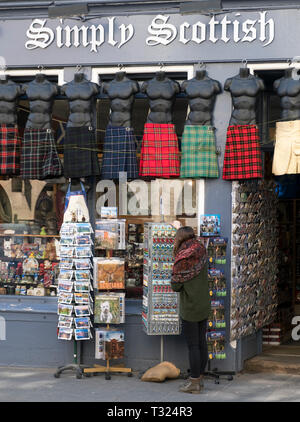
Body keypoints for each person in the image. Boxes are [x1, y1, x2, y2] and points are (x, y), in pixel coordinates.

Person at [171, 226, 210, 394]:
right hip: (204, 303)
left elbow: (175, 285)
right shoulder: (201, 249)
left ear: (180, 238)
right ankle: (199, 378)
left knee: (193, 345)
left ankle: (194, 382)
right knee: (202, 342)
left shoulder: (183, 258)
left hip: (190, 306)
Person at [222, 67, 265, 181]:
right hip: (234, 121)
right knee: (233, 161)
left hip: (251, 121)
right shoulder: (230, 81)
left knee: (252, 164)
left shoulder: (257, 81)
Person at [139, 71, 180, 177]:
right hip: (151, 123)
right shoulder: (147, 84)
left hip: (167, 124)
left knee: (168, 165)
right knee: (150, 164)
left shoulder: (173, 85)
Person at [21, 74, 62, 179]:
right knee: (30, 162)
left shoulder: (52, 87)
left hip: (46, 126)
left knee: (48, 158)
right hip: (30, 125)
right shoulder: (27, 86)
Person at [60, 72, 100, 178]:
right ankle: (74, 182)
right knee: (71, 158)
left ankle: (85, 182)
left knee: (87, 158)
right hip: (71, 125)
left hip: (86, 125)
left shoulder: (92, 86)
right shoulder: (66, 87)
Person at [101, 71, 139, 179]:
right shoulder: (107, 85)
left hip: (126, 123)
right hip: (112, 125)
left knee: (126, 164)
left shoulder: (132, 84)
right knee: (110, 163)